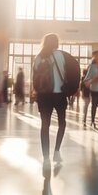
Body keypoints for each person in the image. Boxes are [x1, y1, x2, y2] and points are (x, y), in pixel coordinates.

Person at [33, 33, 68, 165]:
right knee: (62, 123)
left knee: (45, 125)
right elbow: (67, 73)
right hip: (59, 94)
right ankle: (57, 152)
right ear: (56, 43)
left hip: (44, 95)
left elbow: (34, 77)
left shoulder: (38, 57)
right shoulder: (60, 55)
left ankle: (46, 157)